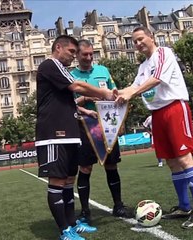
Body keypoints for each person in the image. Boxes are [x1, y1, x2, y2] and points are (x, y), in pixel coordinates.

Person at [114, 26, 193, 228]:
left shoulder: (164, 53)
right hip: (157, 114)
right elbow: (132, 87)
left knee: (184, 158)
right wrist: (113, 93)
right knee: (172, 162)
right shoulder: (142, 67)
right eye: (134, 42)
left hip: (174, 107)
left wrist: (131, 93)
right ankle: (184, 206)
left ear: (151, 37)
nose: (138, 44)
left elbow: (157, 78)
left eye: (140, 39)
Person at [36, 35, 114, 240]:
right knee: (57, 181)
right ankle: (64, 231)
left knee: (69, 180)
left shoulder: (59, 70)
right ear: (58, 47)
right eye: (71, 51)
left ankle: (72, 223)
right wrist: (104, 93)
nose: (73, 56)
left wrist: (86, 112)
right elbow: (77, 86)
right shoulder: (50, 65)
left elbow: (67, 101)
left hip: (69, 134)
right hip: (54, 135)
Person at [70, 40, 132, 223]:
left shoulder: (103, 71)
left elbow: (114, 94)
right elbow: (69, 105)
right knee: (85, 168)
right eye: (85, 55)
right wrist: (86, 100)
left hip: (107, 126)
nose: (89, 58)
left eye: (91, 54)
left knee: (112, 165)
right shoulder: (70, 76)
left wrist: (120, 116)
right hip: (84, 127)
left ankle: (118, 205)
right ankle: (85, 211)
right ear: (77, 55)